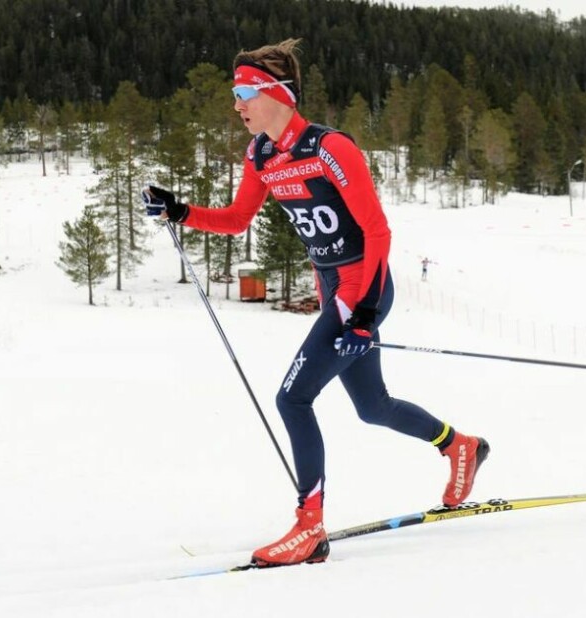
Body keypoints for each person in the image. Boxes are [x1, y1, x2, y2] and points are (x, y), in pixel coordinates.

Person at [145, 39, 488, 568]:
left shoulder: (330, 148)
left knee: (292, 399)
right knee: (372, 407)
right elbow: (238, 219)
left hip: (361, 288)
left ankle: (309, 527)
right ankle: (457, 444)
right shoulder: (260, 154)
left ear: (277, 94)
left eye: (243, 93)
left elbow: (376, 230)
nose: (236, 105)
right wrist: (182, 210)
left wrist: (365, 312)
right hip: (333, 286)